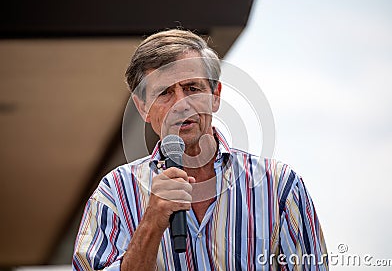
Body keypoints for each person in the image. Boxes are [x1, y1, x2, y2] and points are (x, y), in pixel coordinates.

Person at [72, 29, 328, 271]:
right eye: (165, 93)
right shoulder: (114, 193)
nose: (181, 104)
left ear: (215, 96)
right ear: (143, 108)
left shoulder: (278, 185)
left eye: (192, 88)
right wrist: (151, 223)